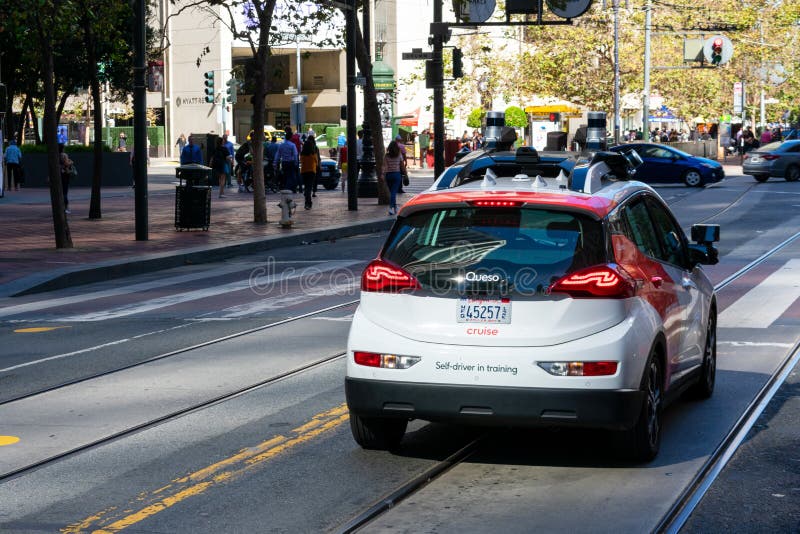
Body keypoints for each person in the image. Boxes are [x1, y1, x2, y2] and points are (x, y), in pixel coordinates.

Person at [381, 140, 406, 216]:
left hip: (388, 175)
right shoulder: (399, 155)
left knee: (392, 192)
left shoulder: (386, 156)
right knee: (393, 192)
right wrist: (405, 173)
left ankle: (395, 208)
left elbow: (384, 166)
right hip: (397, 175)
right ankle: (391, 208)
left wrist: (382, 174)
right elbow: (402, 166)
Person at [275, 127, 299, 192]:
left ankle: (286, 188)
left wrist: (275, 162)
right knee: (292, 175)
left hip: (284, 162)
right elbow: (295, 154)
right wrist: (296, 162)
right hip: (291, 162)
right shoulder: (292, 145)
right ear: (291, 138)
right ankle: (292, 188)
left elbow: (278, 155)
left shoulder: (281, 145)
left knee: (285, 175)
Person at [300, 135, 321, 210]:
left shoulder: (302, 155)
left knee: (306, 187)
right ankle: (308, 203)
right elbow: (317, 162)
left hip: (304, 171)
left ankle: (307, 201)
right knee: (309, 187)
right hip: (312, 171)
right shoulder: (313, 154)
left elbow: (301, 161)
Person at [59, 144, 74, 214]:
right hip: (65, 175)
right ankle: (66, 208)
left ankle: (60, 207)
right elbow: (67, 164)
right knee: (65, 192)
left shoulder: (55, 155)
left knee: (60, 192)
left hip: (58, 175)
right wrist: (71, 162)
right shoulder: (64, 155)